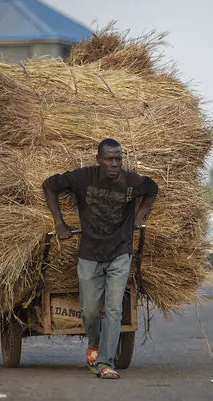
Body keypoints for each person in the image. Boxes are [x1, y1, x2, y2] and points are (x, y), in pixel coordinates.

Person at [43, 138, 159, 378]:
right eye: (109, 159)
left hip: (120, 253)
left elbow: (152, 189)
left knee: (115, 309)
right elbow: (49, 185)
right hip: (90, 253)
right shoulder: (83, 178)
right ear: (99, 161)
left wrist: (139, 216)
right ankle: (94, 345)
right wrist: (59, 223)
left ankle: (105, 363)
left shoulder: (132, 182)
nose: (114, 164)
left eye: (118, 158)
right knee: (90, 311)